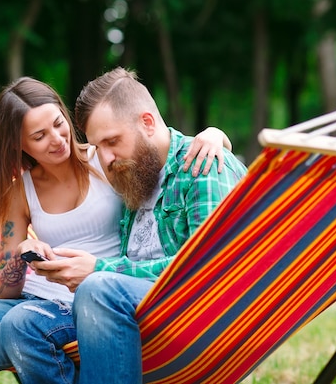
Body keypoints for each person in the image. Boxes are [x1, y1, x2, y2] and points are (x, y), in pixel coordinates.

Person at [0, 76, 230, 384]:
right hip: (33, 298)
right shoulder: (21, 190)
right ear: (20, 146)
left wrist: (215, 135)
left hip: (93, 297)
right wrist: (22, 255)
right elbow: (5, 290)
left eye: (58, 124)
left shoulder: (107, 159)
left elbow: (156, 148)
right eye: (39, 136)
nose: (57, 140)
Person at [67, 67, 248, 383]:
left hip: (194, 319)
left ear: (147, 122)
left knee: (97, 288)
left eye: (112, 141)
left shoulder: (202, 165)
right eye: (97, 147)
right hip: (135, 321)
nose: (105, 158)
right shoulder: (135, 173)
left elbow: (207, 267)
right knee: (27, 326)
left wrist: (101, 269)